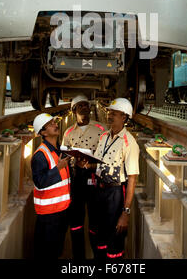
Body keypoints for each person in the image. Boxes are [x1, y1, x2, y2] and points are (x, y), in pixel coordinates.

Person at [92, 97, 140, 260]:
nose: (109, 115)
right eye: (109, 112)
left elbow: (132, 178)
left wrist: (125, 213)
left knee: (115, 238)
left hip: (116, 193)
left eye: (114, 113)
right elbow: (99, 162)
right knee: (99, 234)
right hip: (99, 191)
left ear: (124, 117)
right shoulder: (104, 136)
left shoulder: (129, 143)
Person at [62, 94, 106, 260]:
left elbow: (106, 154)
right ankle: (78, 257)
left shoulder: (101, 129)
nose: (84, 108)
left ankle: (98, 255)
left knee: (95, 218)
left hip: (94, 176)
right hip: (77, 177)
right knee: (76, 219)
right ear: (74, 110)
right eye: (80, 106)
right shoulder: (68, 132)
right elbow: (65, 155)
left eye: (86, 105)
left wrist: (91, 162)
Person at [31, 113, 71, 259]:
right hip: (48, 215)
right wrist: (58, 168)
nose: (55, 124)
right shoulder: (41, 155)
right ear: (42, 132)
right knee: (47, 252)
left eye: (54, 121)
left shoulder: (59, 149)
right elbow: (39, 182)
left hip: (61, 210)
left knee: (57, 250)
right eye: (50, 124)